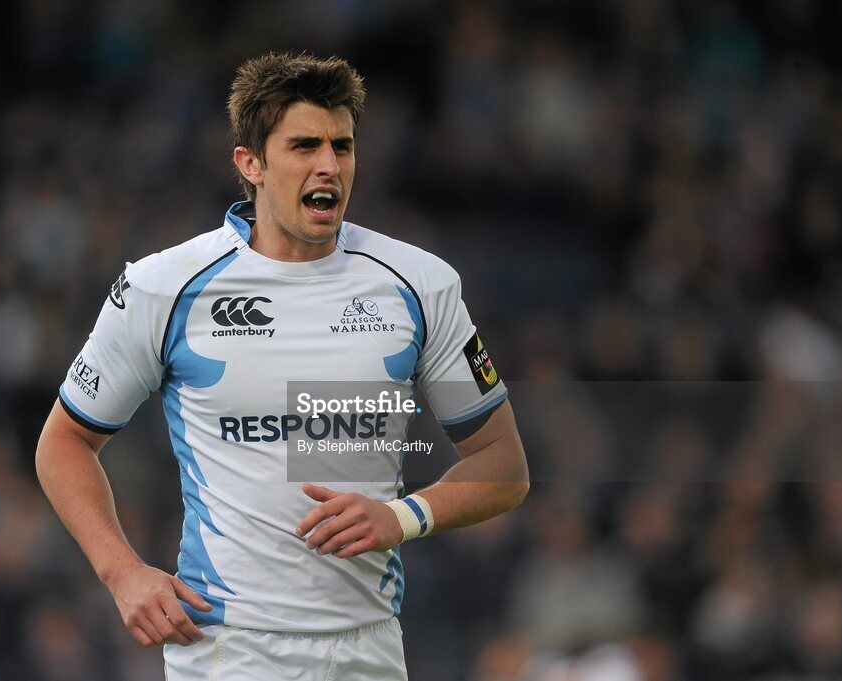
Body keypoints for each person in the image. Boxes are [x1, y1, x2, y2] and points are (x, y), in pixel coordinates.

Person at [35, 52, 529, 680]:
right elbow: (64, 442)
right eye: (304, 146)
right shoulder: (164, 288)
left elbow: (504, 465)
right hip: (227, 649)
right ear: (251, 164)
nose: (330, 165)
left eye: (342, 146)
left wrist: (402, 515)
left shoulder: (420, 285)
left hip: (368, 649)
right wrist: (122, 572)